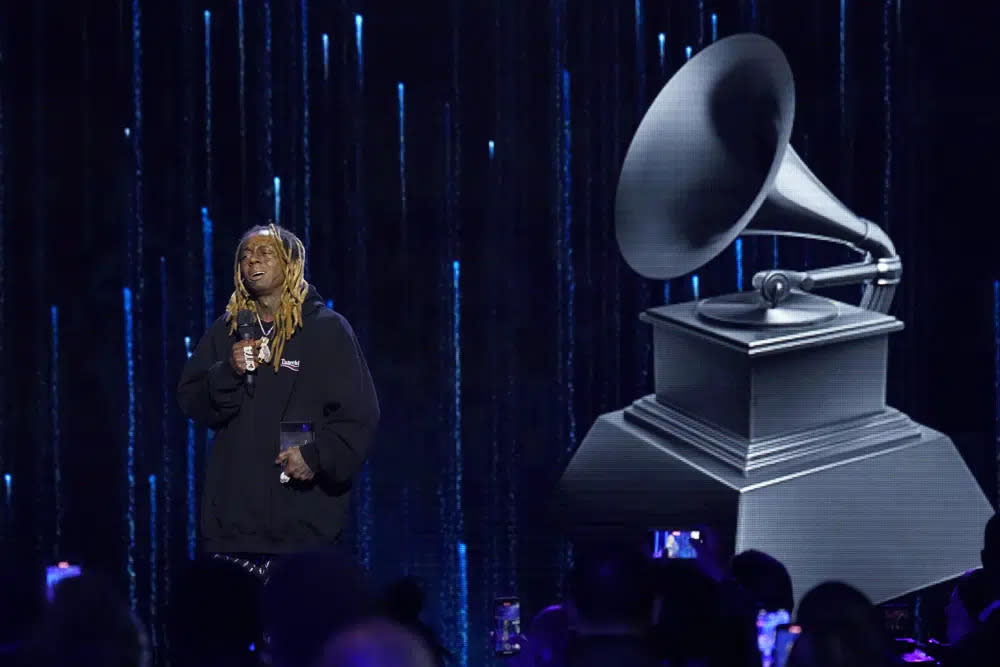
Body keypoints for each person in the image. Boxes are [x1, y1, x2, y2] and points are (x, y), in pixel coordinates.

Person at [178, 223, 380, 572]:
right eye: (244, 255)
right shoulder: (227, 330)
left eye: (263, 252)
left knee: (298, 625)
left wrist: (316, 455)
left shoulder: (326, 329)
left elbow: (359, 413)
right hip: (234, 529)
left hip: (302, 528)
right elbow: (191, 399)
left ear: (290, 264)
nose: (251, 260)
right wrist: (229, 370)